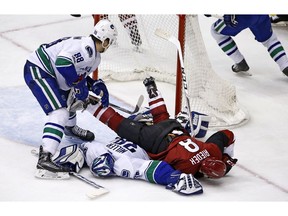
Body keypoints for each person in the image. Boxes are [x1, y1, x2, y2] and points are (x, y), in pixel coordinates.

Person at [83, 76, 238, 179]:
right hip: (156, 140)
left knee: (162, 117)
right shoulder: (189, 169)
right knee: (120, 124)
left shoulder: (213, 150)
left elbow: (227, 134)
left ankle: (153, 91)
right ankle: (88, 103)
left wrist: (226, 158)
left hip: (176, 129)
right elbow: (164, 166)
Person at [24, 19, 118, 177]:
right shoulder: (85, 49)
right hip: (39, 69)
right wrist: (78, 83)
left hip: (52, 72)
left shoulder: (95, 57)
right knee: (59, 112)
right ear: (105, 40)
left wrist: (93, 84)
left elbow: (78, 74)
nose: (109, 45)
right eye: (110, 41)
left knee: (73, 95)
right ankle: (45, 158)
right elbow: (62, 63)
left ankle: (70, 128)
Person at [210, 14, 288, 76]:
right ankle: (285, 65)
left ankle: (240, 62)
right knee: (269, 39)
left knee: (216, 31)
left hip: (243, 15)